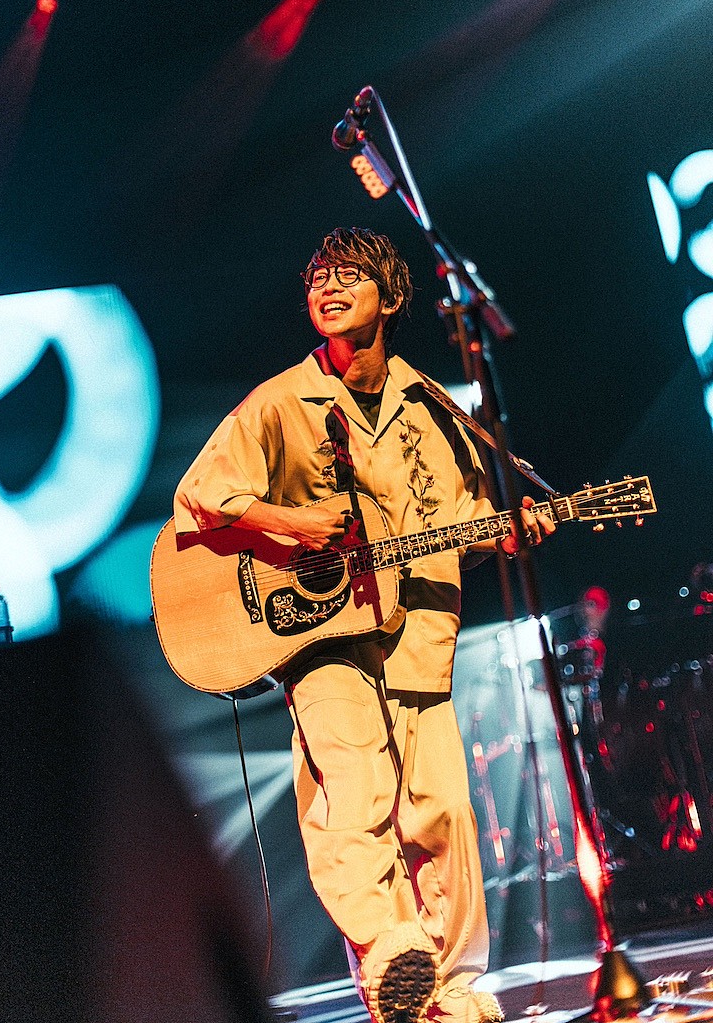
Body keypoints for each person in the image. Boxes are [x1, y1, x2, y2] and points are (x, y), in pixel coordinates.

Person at [173, 228, 555, 1023]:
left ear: (392, 294)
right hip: (321, 639)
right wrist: (297, 524)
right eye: (318, 276)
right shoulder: (281, 400)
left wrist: (507, 527)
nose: (329, 285)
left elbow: (451, 520)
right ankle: (392, 956)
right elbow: (204, 495)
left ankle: (448, 986)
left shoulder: (434, 407)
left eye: (349, 274)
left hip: (419, 631)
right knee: (354, 793)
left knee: (442, 810)